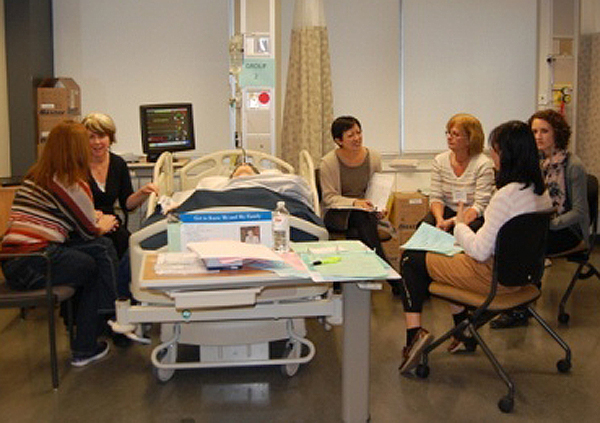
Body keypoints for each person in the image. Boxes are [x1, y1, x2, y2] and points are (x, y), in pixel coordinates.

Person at [397, 120, 552, 375]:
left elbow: (479, 252)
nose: (493, 157)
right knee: (451, 253)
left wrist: (459, 225)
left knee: (411, 258)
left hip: (493, 279)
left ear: (509, 155)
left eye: (497, 151)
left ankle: (413, 337)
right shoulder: (539, 191)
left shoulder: (506, 196)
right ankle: (464, 330)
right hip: (525, 278)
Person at [1, 121, 120, 367]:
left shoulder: (35, 177)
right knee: (99, 253)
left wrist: (93, 219)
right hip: (36, 263)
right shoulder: (73, 184)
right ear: (77, 150)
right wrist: (104, 223)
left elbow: (63, 217)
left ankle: (109, 315)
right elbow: (89, 233)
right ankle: (106, 323)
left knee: (99, 252)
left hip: (13, 263)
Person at [490, 109, 589, 329]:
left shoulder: (573, 166)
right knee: (514, 236)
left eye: (544, 131)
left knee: (523, 242)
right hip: (544, 225)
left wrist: (546, 223)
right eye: (533, 131)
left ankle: (519, 307)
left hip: (569, 231)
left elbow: (580, 213)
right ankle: (514, 299)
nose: (538, 136)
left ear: (558, 133)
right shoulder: (536, 162)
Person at [82, 112, 158, 259]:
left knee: (133, 250)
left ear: (110, 139)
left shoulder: (118, 164)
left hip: (112, 224)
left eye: (102, 136)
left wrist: (143, 192)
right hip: (87, 226)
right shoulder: (77, 165)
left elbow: (127, 205)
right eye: (91, 137)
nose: (97, 142)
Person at [319, 115, 386, 260]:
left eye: (359, 132)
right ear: (339, 141)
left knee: (358, 227)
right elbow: (329, 198)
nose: (357, 138)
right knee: (360, 218)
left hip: (366, 211)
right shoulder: (328, 163)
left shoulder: (373, 157)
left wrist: (379, 206)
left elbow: (378, 189)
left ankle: (357, 276)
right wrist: (355, 203)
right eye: (350, 135)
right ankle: (386, 269)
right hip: (337, 212)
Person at [422, 113, 495, 233]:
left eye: (455, 134)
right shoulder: (440, 161)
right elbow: (436, 197)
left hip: (472, 214)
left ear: (470, 139)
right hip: (447, 210)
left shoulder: (483, 164)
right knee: (424, 229)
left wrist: (452, 222)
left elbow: (480, 205)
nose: (449, 137)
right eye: (448, 133)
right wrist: (440, 220)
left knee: (457, 234)